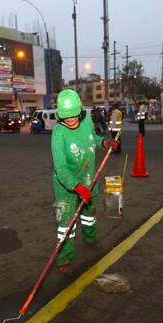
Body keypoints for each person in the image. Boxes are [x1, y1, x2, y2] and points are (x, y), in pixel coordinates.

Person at [51, 89, 119, 275]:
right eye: (66, 117)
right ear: (60, 116)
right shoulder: (58, 133)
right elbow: (61, 169)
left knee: (89, 215)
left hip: (89, 180)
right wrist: (77, 187)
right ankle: (64, 259)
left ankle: (90, 240)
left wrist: (104, 143)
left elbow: (92, 139)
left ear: (80, 111)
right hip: (67, 187)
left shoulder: (87, 121)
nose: (71, 120)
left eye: (74, 115)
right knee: (66, 224)